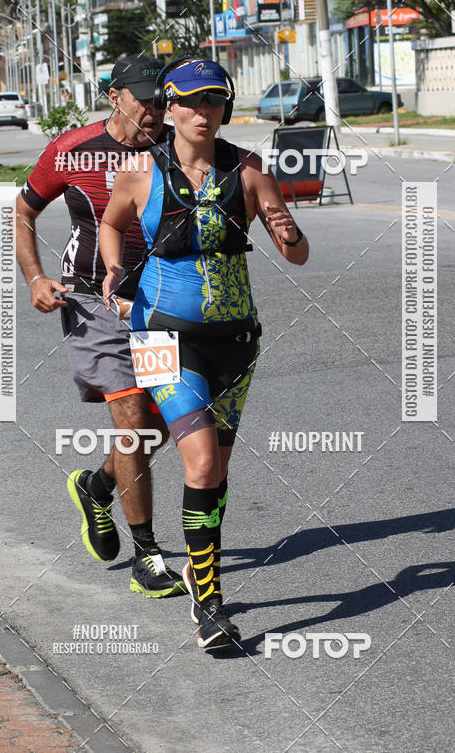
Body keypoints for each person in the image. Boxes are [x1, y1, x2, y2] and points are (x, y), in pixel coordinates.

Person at [99, 58, 308, 648]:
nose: (202, 111)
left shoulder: (248, 171)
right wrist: (116, 269)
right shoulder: (140, 171)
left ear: (225, 108)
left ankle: (198, 566)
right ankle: (210, 605)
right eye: (190, 101)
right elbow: (112, 223)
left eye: (214, 100)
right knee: (200, 463)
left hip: (235, 344)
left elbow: (297, 255)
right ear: (169, 108)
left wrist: (286, 227)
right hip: (159, 335)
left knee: (216, 473)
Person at [15, 54, 185, 599]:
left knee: (162, 424)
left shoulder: (175, 150)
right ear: (115, 96)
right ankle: (147, 553)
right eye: (146, 100)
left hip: (157, 305)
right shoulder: (71, 150)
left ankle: (98, 486)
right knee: (132, 415)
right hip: (93, 301)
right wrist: (36, 277)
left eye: (164, 100)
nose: (157, 111)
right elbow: (22, 211)